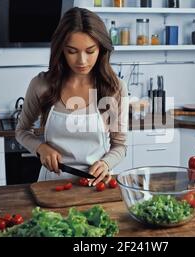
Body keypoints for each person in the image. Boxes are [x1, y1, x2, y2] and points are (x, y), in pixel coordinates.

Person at [16, 7, 128, 187]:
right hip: (52, 185)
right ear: (61, 49)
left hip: (97, 185)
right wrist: (41, 148)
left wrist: (106, 163)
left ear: (101, 48)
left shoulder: (114, 88)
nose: (82, 61)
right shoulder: (41, 85)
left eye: (90, 51)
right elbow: (22, 131)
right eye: (72, 51)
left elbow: (119, 146)